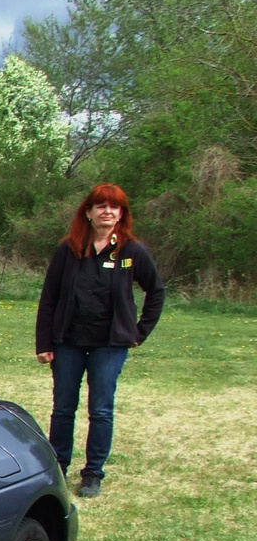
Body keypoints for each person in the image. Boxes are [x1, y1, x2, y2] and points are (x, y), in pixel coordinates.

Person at [35, 183, 165, 498]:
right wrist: (44, 342)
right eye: (101, 206)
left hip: (110, 344)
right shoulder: (69, 249)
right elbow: (49, 297)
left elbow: (156, 291)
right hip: (68, 341)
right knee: (63, 408)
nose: (108, 211)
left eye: (114, 207)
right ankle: (57, 468)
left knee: (101, 409)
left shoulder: (132, 251)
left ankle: (92, 474)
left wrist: (138, 331)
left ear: (121, 214)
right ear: (89, 212)